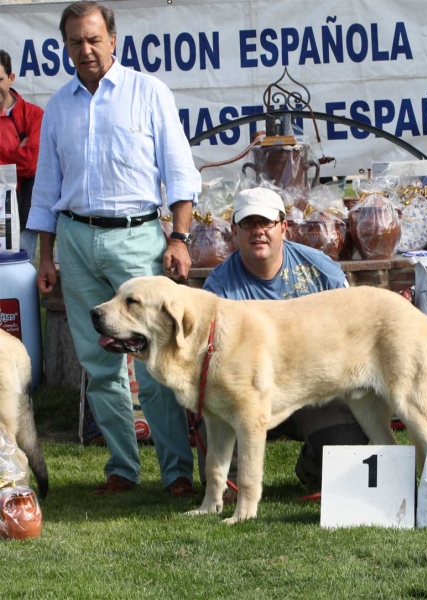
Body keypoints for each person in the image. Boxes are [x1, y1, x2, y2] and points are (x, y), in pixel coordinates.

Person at [26, 1, 202, 496]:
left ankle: (177, 474)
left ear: (113, 40)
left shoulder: (148, 92)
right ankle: (122, 469)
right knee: (98, 362)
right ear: (65, 48)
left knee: (156, 361)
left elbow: (179, 172)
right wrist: (47, 257)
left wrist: (179, 238)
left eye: (93, 38)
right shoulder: (58, 105)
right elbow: (46, 187)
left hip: (136, 237)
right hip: (76, 240)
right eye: (76, 42)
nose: (86, 49)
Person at [200, 187, 368, 496]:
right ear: (234, 232)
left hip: (310, 390)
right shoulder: (219, 286)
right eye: (248, 224)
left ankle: (312, 468)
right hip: (245, 395)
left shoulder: (321, 269)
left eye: (266, 223)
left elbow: (353, 323)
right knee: (226, 488)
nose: (258, 232)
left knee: (347, 444)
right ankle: (230, 484)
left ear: (283, 227)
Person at [0, 49, 43, 262]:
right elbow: (21, 160)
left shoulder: (34, 115)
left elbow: (30, 164)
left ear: (11, 78)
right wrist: (15, 153)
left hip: (21, 213)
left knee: (18, 275)